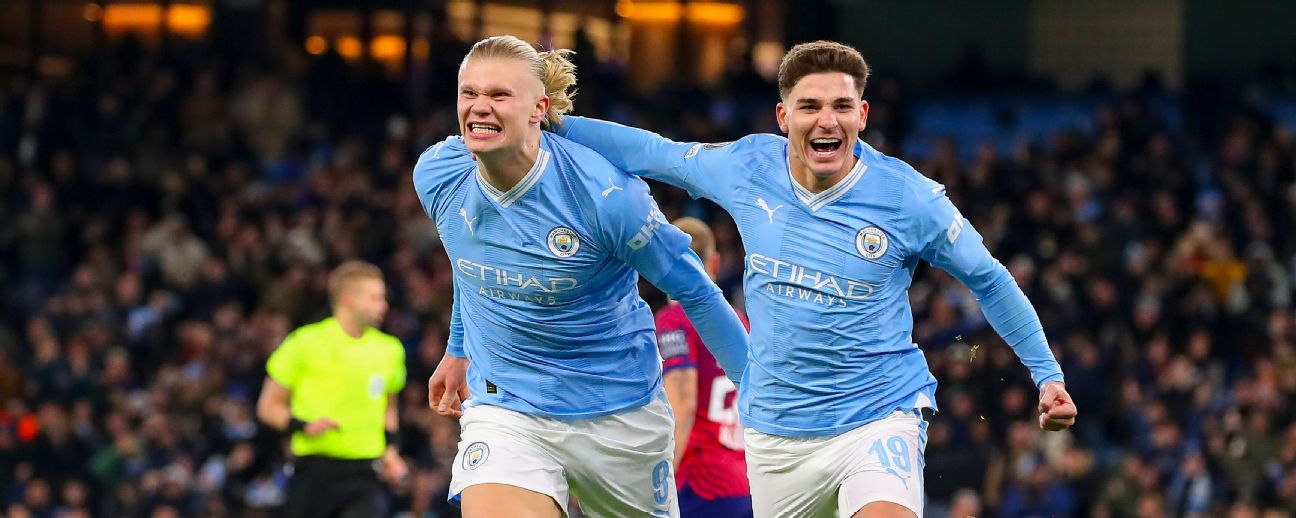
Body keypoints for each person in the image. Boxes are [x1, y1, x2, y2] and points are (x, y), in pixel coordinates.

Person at [548, 40, 1078, 517]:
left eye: (842, 106)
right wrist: (554, 123)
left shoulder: (908, 198)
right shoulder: (748, 167)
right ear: (783, 116)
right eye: (810, 106)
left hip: (876, 417)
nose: (827, 120)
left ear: (863, 115)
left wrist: (1046, 374)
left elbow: (989, 278)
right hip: (777, 437)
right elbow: (654, 153)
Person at [416, 35, 749, 518]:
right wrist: (460, 346)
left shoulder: (607, 196)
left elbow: (696, 292)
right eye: (469, 93)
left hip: (620, 412)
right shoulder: (439, 175)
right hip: (508, 408)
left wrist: (762, 396)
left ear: (539, 109)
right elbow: (473, 262)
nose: (479, 108)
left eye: (499, 95)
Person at [255, 261, 408, 518]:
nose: (384, 306)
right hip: (314, 472)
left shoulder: (390, 350)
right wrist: (302, 426)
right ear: (349, 300)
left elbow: (389, 407)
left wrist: (391, 453)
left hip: (365, 474)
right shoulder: (304, 342)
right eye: (375, 298)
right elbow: (268, 406)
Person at [656, 217, 753, 518]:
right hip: (744, 481)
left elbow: (683, 403)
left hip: (698, 483)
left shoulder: (676, 320)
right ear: (714, 262)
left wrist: (661, 486)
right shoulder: (740, 319)